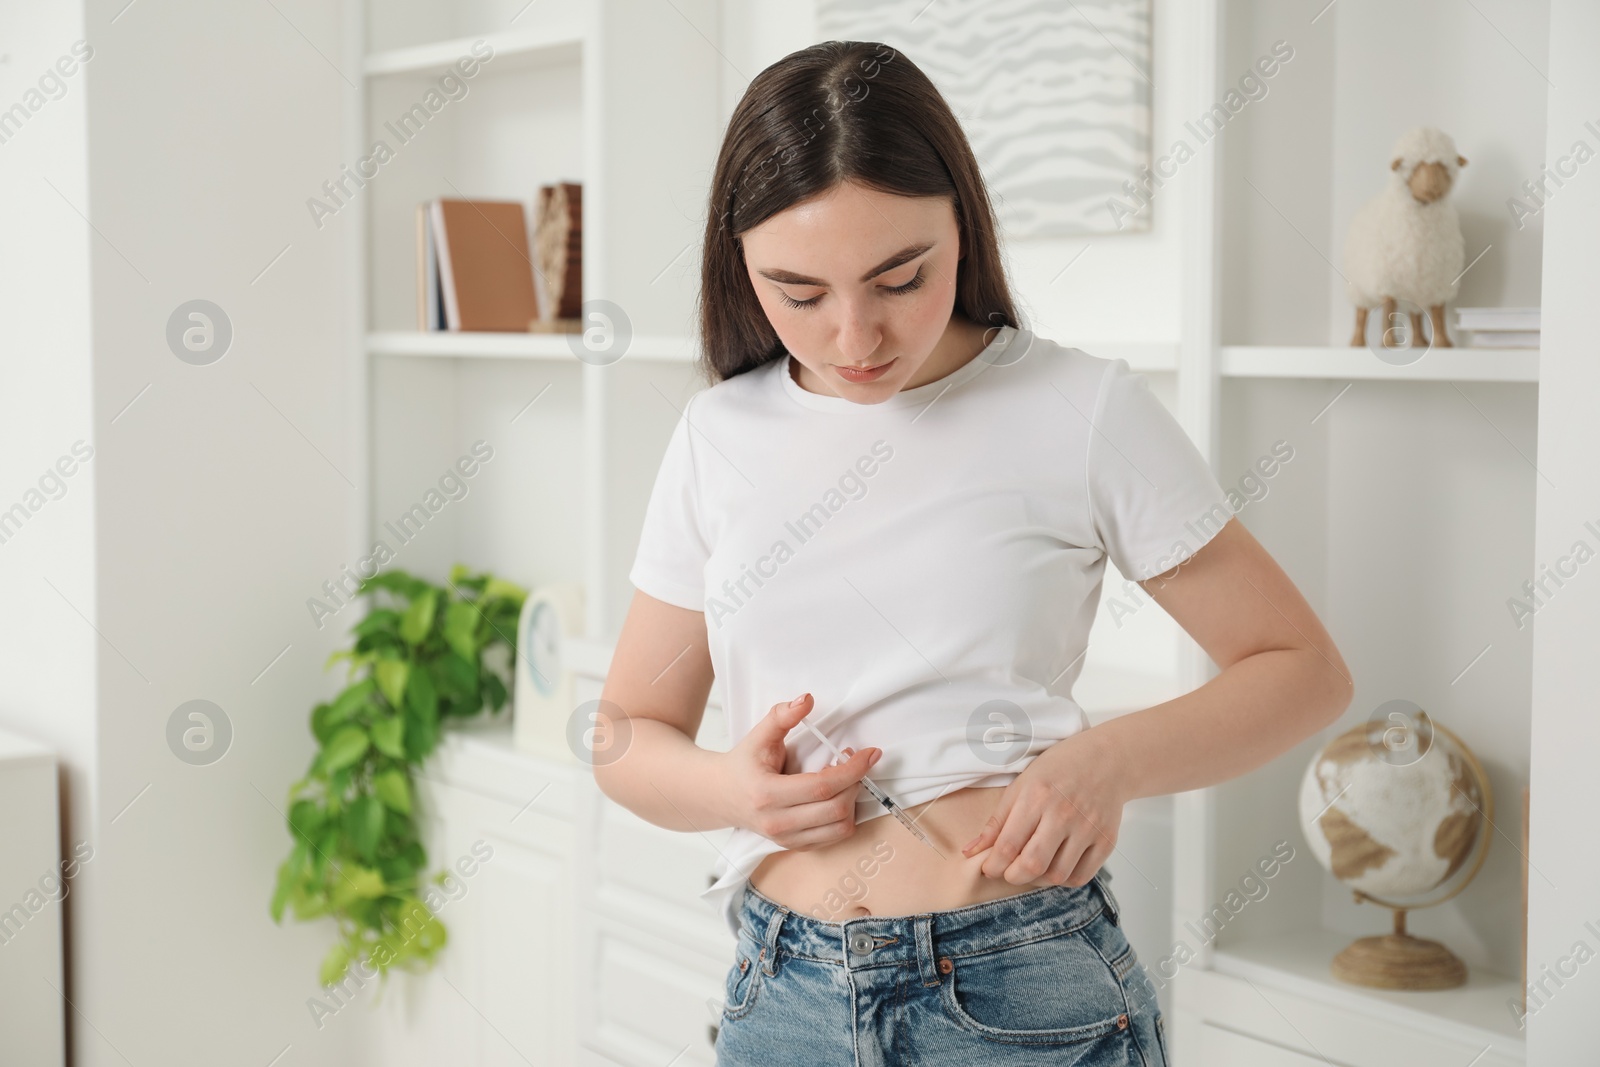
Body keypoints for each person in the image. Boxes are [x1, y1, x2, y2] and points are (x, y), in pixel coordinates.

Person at [593, 39, 1351, 1066]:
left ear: (964, 223)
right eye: (799, 292)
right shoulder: (718, 434)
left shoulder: (1078, 408)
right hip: (784, 992)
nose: (855, 335)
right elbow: (629, 731)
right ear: (740, 267)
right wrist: (734, 790)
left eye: (900, 276)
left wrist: (1106, 761)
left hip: (1019, 985)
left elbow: (1302, 671)